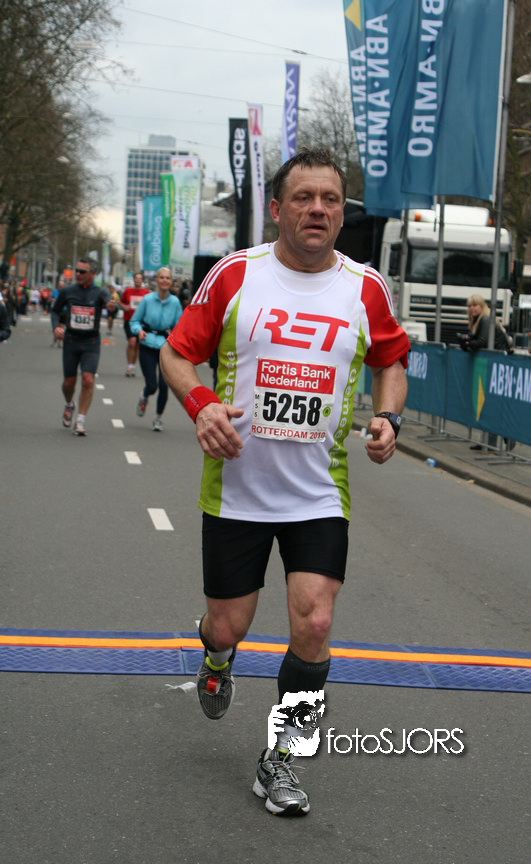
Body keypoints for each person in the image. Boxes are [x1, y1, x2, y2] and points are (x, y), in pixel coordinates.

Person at [160, 147, 410, 817]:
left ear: (342, 213)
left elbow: (392, 360)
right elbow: (176, 354)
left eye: (330, 199)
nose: (317, 209)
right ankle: (216, 656)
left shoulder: (365, 288)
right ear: (277, 209)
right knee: (228, 624)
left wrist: (388, 418)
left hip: (317, 494)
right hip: (238, 489)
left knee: (316, 621)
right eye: (303, 198)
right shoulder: (236, 274)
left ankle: (282, 759)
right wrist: (201, 405)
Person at [51, 258, 116, 436]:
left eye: (82, 271)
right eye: (77, 271)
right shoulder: (68, 291)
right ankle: (69, 403)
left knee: (88, 380)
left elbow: (111, 305)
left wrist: (112, 307)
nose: (78, 274)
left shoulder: (100, 292)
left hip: (91, 342)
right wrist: (56, 327)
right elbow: (55, 311)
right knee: (69, 383)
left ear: (92, 274)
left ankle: (80, 419)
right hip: (71, 341)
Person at [459, 294, 514, 451]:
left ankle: (502, 438)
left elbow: (482, 341)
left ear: (482, 306)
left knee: (491, 405)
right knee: (488, 405)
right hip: (493, 366)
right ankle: (488, 442)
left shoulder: (485, 319)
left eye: (475, 305)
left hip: (496, 366)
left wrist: (468, 343)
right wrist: (467, 341)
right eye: (470, 306)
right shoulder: (480, 320)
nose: (472, 308)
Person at [130, 266, 182, 432]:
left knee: (165, 385)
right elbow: (134, 321)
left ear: (171, 281)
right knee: (152, 385)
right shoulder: (147, 299)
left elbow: (180, 327)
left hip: (165, 347)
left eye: (167, 278)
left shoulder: (175, 302)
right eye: (162, 277)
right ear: (157, 280)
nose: (164, 281)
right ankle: (145, 395)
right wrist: (138, 331)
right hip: (147, 344)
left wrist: (176, 339)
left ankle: (158, 417)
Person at [119, 272, 149, 375]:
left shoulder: (146, 293)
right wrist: (124, 307)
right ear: (134, 279)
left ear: (142, 280)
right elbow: (121, 302)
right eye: (136, 278)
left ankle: (133, 366)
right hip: (129, 320)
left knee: (137, 345)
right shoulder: (128, 291)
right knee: (131, 342)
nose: (138, 280)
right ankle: (129, 365)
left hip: (141, 322)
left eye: (140, 278)